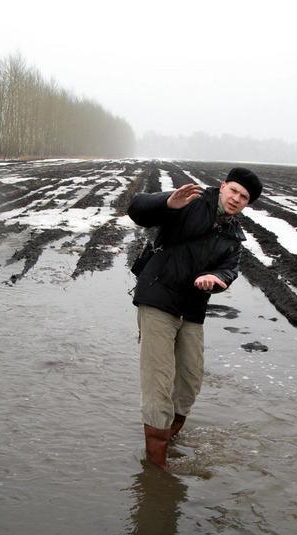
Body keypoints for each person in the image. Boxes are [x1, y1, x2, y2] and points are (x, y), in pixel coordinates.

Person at [128, 167, 262, 470]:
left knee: (189, 380)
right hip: (158, 296)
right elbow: (137, 208)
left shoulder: (233, 236)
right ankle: (156, 464)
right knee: (159, 383)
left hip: (191, 309)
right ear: (224, 186)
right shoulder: (190, 201)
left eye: (244, 197)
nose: (237, 199)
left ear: (246, 203)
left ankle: (169, 436)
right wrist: (166, 204)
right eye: (234, 191)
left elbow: (230, 268)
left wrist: (216, 277)